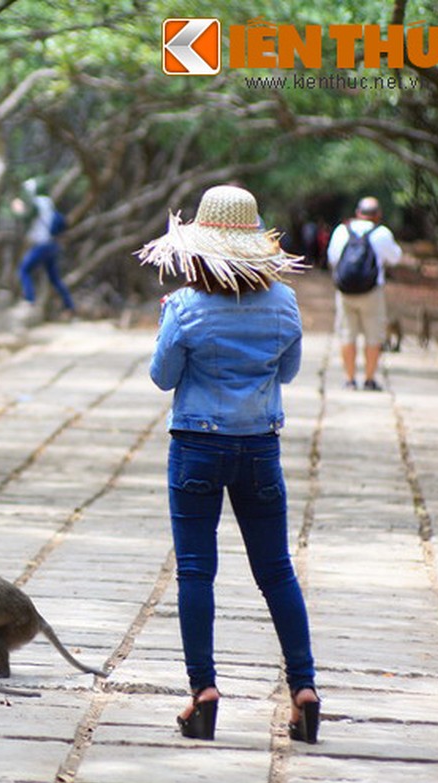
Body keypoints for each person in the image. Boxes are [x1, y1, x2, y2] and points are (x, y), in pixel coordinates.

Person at [138, 184, 320, 744]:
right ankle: (305, 690)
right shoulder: (285, 302)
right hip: (259, 447)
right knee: (276, 571)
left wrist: (169, 321)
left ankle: (204, 693)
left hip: (196, 446)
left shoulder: (187, 306)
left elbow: (162, 377)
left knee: (196, 571)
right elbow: (286, 373)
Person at [327, 196, 402, 391]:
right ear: (378, 215)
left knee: (347, 334)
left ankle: (349, 379)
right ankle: (369, 379)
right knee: (373, 335)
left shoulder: (342, 230)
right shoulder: (382, 233)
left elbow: (332, 258)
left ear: (358, 213)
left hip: (345, 292)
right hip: (371, 292)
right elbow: (395, 258)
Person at [10, 178, 75, 315]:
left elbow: (26, 216)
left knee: (24, 270)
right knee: (54, 278)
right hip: (52, 245)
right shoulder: (49, 203)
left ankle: (30, 300)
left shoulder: (36, 204)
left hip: (42, 245)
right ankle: (69, 306)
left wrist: (17, 209)